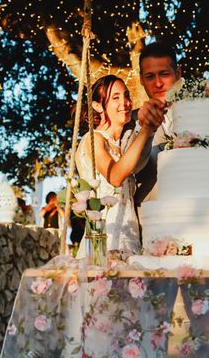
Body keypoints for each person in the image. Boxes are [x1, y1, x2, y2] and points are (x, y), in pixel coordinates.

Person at [75, 75, 156, 256]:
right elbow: (115, 176)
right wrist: (146, 130)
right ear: (97, 106)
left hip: (130, 234)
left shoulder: (123, 147)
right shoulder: (94, 139)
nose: (125, 103)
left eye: (126, 96)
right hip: (105, 236)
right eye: (116, 98)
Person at [126, 42, 182, 208]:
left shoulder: (199, 112)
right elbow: (130, 168)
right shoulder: (128, 121)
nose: (158, 83)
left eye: (164, 74)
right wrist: (144, 129)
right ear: (141, 79)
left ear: (178, 73)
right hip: (149, 222)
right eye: (150, 76)